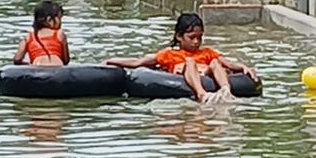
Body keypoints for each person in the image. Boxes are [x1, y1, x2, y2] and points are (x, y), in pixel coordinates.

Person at [105, 12, 258, 103]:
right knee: (189, 61)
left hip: (206, 75)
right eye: (192, 37)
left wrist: (244, 67)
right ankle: (201, 94)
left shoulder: (207, 53)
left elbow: (228, 63)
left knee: (215, 62)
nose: (196, 42)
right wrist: (111, 61)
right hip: (187, 76)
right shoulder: (169, 54)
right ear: (179, 36)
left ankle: (226, 91)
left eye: (199, 37)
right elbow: (139, 62)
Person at [13, 0, 70, 66]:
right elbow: (66, 60)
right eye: (59, 18)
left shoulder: (29, 37)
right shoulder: (59, 34)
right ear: (49, 20)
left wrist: (29, 64)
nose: (60, 22)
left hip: (37, 70)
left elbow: (17, 59)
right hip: (58, 70)